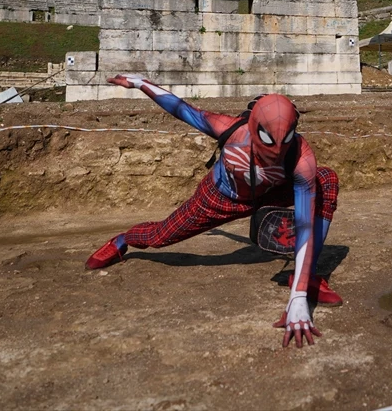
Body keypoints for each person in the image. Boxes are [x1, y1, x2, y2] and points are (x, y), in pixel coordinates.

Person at [85, 74, 341, 348]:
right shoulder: (228, 129)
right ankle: (123, 240)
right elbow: (180, 108)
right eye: (268, 141)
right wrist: (139, 83)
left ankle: (307, 277)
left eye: (285, 141)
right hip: (219, 198)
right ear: (254, 126)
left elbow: (303, 224)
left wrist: (298, 298)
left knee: (326, 180)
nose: (277, 152)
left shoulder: (301, 157)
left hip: (268, 195)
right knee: (160, 235)